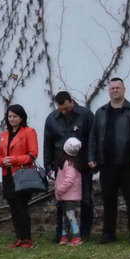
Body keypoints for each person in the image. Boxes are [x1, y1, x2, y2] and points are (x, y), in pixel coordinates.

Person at [89, 77, 130, 244]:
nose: (115, 90)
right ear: (109, 90)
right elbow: (93, 136)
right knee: (108, 201)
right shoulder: (101, 112)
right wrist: (92, 158)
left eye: (117, 88)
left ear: (124, 90)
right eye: (112, 88)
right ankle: (108, 233)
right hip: (106, 164)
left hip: (128, 163)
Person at [43, 91, 96, 241]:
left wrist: (92, 159)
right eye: (61, 109)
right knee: (62, 199)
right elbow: (48, 143)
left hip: (83, 164)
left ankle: (84, 232)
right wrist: (47, 164)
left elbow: (93, 139)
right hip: (61, 165)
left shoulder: (85, 115)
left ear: (72, 101)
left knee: (86, 199)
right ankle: (61, 232)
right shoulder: (52, 118)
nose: (64, 111)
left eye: (66, 108)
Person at [0, 104, 39, 248]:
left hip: (22, 175)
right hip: (7, 175)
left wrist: (14, 160)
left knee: (21, 207)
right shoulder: (4, 135)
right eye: (9, 116)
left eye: (15, 116)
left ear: (21, 117)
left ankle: (27, 238)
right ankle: (19, 237)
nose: (11, 119)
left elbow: (33, 154)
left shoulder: (29, 132)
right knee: (13, 208)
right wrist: (2, 161)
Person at [54, 137, 86, 245]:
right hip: (66, 194)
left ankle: (77, 236)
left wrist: (60, 189)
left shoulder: (69, 164)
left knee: (70, 215)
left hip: (69, 194)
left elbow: (69, 180)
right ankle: (64, 235)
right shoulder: (71, 163)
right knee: (65, 215)